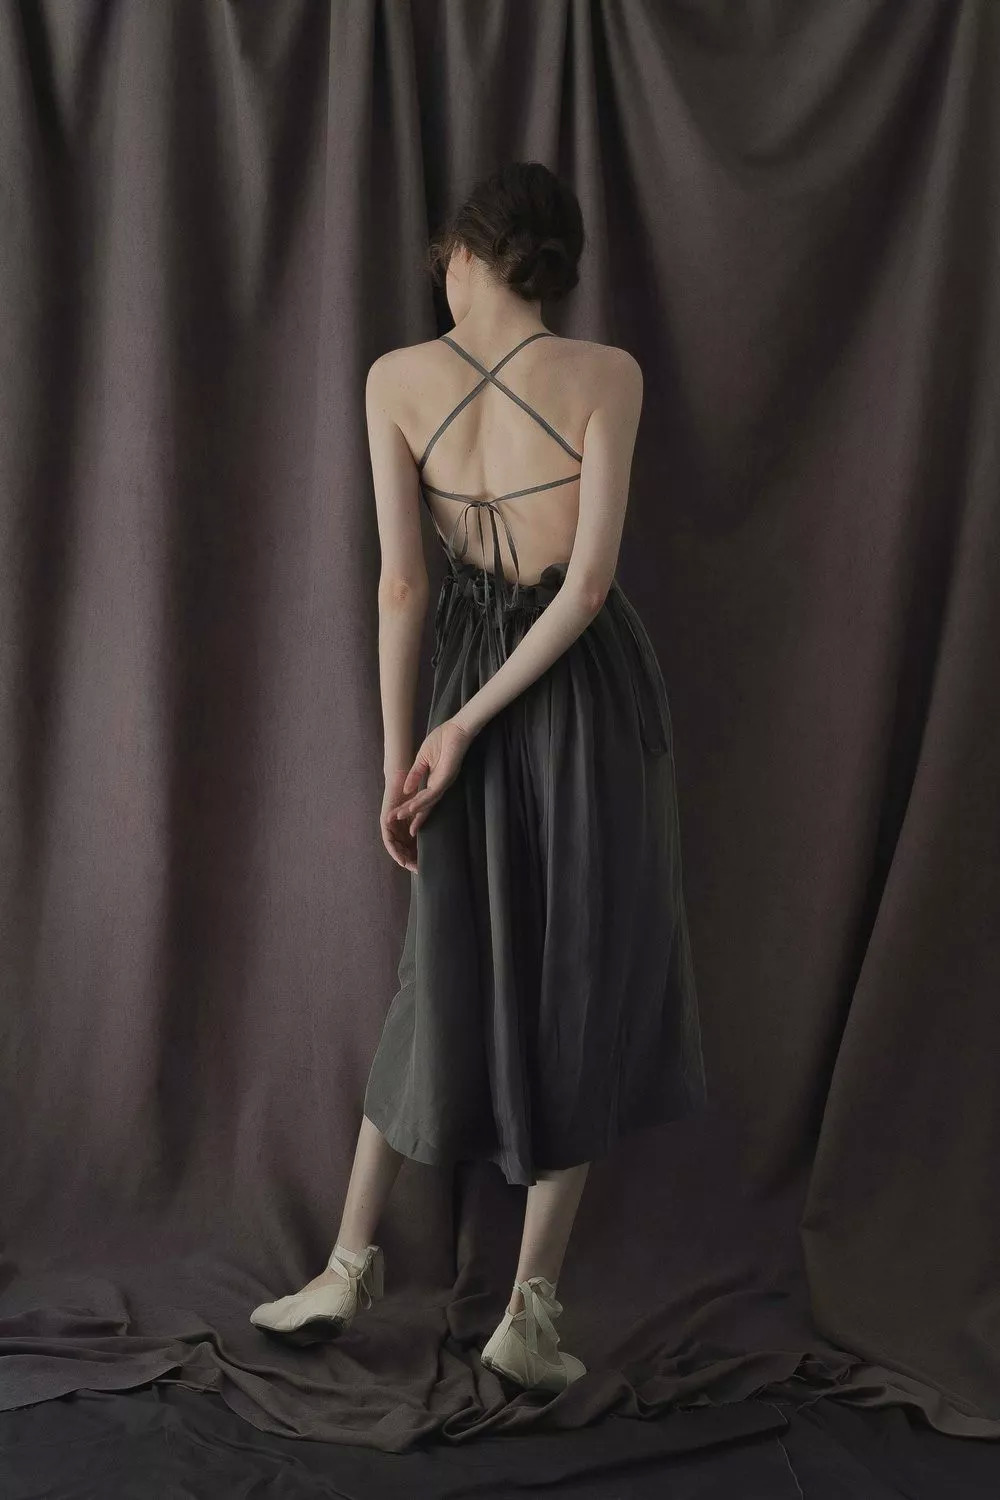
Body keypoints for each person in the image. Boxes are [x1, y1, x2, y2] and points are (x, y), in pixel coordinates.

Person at [250, 161, 708, 1393]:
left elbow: (404, 584)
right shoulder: (609, 374)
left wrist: (410, 747)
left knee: (437, 965)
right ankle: (525, 1311)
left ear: (469, 251)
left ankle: (350, 1266)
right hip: (584, 692)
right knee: (581, 971)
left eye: (445, 261)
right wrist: (442, 738)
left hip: (465, 680)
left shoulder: (395, 378)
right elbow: (587, 590)